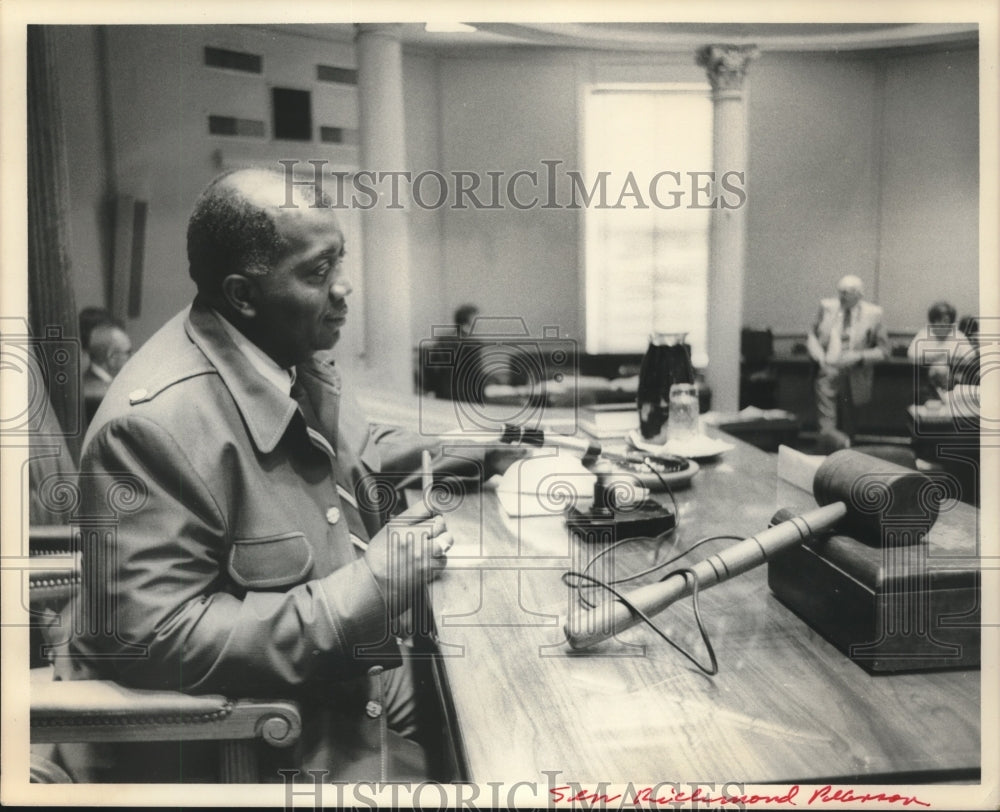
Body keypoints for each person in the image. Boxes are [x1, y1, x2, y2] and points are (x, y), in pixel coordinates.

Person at [56, 168, 508, 783]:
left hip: (338, 676)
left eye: (338, 262)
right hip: (261, 739)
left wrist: (489, 444)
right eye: (318, 272)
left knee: (503, 696)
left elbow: (358, 451)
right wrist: (368, 589)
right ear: (243, 293)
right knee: (505, 762)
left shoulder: (280, 356)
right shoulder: (152, 428)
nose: (344, 288)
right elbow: (152, 640)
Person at [805, 275, 890, 448]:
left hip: (855, 374)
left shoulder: (874, 314)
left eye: (847, 293)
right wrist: (819, 356)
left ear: (859, 294)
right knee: (826, 425)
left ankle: (844, 459)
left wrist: (859, 356)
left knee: (849, 427)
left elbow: (885, 352)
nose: (841, 296)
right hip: (828, 371)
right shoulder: (827, 307)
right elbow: (812, 336)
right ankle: (825, 458)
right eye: (840, 292)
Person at [906, 301, 975, 398]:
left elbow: (970, 356)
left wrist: (950, 359)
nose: (944, 325)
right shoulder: (924, 334)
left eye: (947, 321)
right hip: (926, 377)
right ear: (933, 321)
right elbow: (911, 355)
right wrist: (938, 356)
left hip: (954, 378)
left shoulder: (958, 335)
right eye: (939, 321)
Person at [81, 319, 132, 422]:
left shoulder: (84, 383)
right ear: (112, 357)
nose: (132, 357)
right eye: (128, 352)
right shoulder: (106, 396)